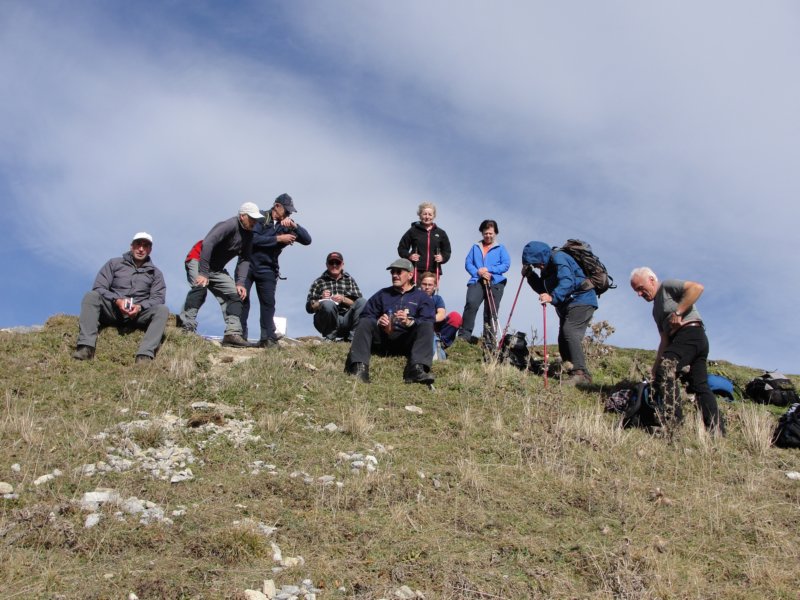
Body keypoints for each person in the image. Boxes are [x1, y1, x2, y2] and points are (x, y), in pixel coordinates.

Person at [629, 267, 724, 433]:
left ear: (651, 280)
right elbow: (664, 340)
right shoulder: (655, 310)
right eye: (636, 291)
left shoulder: (667, 286)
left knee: (666, 370)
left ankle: (674, 425)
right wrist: (654, 368)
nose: (639, 294)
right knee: (699, 385)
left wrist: (678, 312)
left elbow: (697, 288)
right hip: (685, 340)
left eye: (640, 288)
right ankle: (716, 431)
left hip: (691, 334)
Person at [72, 232, 168, 364]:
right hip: (113, 311)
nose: (141, 249)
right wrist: (117, 301)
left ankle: (144, 356)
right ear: (131, 246)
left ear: (150, 250)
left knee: (162, 310)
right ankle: (85, 347)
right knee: (91, 296)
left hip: (138, 316)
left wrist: (140, 307)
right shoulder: (114, 263)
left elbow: (158, 298)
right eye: (138, 244)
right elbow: (99, 287)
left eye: (145, 246)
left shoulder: (156, 274)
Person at [179, 202, 263, 347]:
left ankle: (232, 334)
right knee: (200, 287)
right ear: (242, 216)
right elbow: (208, 243)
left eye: (256, 219)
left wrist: (240, 283)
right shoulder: (229, 225)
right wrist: (203, 272)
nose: (254, 222)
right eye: (251, 218)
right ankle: (187, 327)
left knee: (235, 294)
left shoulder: (249, 235)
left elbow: (245, 259)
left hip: (217, 269)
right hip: (198, 259)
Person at [345, 258, 436, 384]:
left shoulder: (422, 297)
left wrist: (410, 322)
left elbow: (428, 319)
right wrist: (378, 321)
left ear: (410, 275)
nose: (394, 275)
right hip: (384, 340)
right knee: (365, 321)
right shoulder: (382, 294)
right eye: (393, 272)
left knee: (427, 325)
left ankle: (417, 370)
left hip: (408, 343)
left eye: (399, 272)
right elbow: (366, 314)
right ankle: (359, 369)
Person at [522, 241, 598, 385]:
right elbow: (543, 288)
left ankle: (581, 374)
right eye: (534, 265)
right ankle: (572, 372)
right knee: (563, 338)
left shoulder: (559, 258)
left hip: (582, 300)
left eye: (537, 263)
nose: (537, 266)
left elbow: (567, 281)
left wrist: (553, 297)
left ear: (542, 256)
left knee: (570, 332)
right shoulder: (547, 267)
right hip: (568, 304)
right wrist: (530, 276)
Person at [241, 193, 311, 347]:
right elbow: (253, 240)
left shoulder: (286, 226)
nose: (288, 214)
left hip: (268, 269)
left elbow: (307, 240)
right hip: (248, 265)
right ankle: (240, 336)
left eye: (290, 212)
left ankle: (267, 339)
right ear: (277, 206)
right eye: (287, 211)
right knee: (242, 299)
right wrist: (278, 239)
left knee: (268, 303)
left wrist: (294, 226)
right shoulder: (260, 217)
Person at [457, 219, 510, 347]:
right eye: (486, 233)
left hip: (495, 282)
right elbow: (468, 263)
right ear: (482, 233)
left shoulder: (501, 248)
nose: (488, 236)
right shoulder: (475, 247)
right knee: (471, 304)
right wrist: (478, 272)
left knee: (491, 310)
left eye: (491, 233)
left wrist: (489, 270)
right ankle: (464, 336)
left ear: (495, 233)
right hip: (477, 280)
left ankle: (489, 340)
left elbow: (506, 265)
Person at [305, 251, 365, 341]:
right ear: (326, 265)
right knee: (328, 304)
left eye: (337, 262)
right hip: (325, 321)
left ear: (342, 264)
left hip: (346, 319)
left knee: (363, 302)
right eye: (331, 262)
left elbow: (359, 304)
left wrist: (343, 299)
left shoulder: (350, 280)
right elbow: (309, 308)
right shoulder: (319, 282)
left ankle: (352, 339)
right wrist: (321, 299)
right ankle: (330, 338)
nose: (334, 265)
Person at [397, 202, 451, 283]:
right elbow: (402, 248)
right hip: (416, 269)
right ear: (420, 215)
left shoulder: (441, 233)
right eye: (424, 214)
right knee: (415, 291)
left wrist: (442, 258)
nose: (427, 217)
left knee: (429, 291)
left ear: (434, 216)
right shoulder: (413, 231)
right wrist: (409, 256)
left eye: (430, 214)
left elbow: (447, 251)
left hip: (433, 270)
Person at [418, 271, 462, 349]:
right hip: (419, 328)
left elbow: (441, 314)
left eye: (430, 285)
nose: (427, 287)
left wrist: (428, 320)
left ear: (435, 286)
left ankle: (441, 343)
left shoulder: (437, 299)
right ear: (420, 285)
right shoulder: (414, 298)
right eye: (424, 284)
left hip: (435, 327)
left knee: (455, 317)